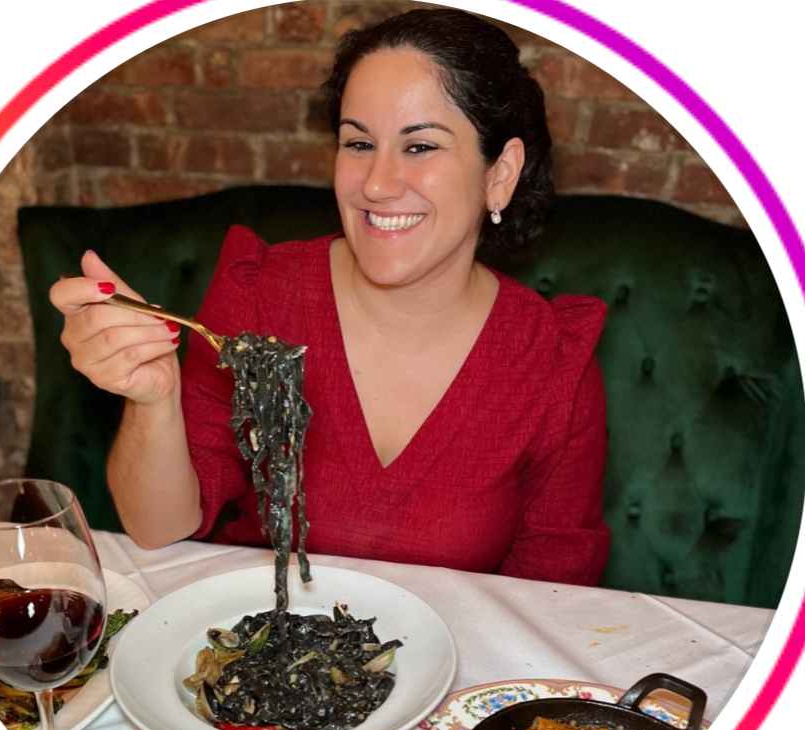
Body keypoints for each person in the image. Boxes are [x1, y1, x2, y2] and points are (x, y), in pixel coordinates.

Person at [50, 8, 610, 586]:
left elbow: (553, 593)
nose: (376, 184)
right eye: (359, 143)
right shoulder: (261, 294)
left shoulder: (553, 362)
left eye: (420, 147)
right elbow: (157, 527)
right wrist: (153, 398)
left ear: (500, 173)